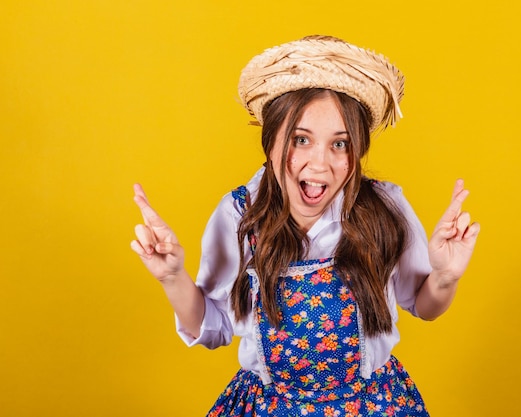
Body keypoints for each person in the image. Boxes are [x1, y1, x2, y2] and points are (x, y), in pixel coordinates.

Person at [131, 35, 480, 417]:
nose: (320, 164)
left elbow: (425, 306)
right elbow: (214, 326)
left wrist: (445, 277)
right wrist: (172, 277)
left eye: (340, 144)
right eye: (301, 139)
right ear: (271, 141)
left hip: (373, 407)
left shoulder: (385, 208)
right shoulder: (240, 215)